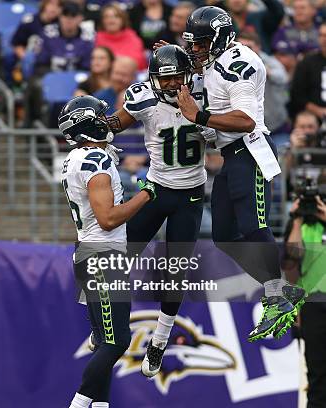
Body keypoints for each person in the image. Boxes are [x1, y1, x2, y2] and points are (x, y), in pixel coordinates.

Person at [179, 6, 305, 341]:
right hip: (231, 154)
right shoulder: (214, 63)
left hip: (249, 149)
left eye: (201, 42)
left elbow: (245, 120)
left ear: (219, 38)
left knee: (252, 225)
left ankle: (278, 294)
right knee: (223, 235)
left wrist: (200, 116)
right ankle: (277, 289)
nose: (195, 49)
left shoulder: (238, 63)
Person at [106, 45, 211, 376]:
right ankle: (106, 327)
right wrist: (92, 127)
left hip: (191, 195)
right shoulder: (144, 98)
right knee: (120, 257)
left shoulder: (207, 96)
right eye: (163, 78)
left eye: (176, 76)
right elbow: (113, 126)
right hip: (156, 189)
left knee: (176, 272)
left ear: (188, 76)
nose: (169, 84)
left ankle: (160, 342)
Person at [57, 95, 155, 408]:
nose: (106, 120)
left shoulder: (78, 157)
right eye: (100, 117)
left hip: (92, 251)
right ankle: (79, 404)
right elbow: (108, 218)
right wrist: (147, 194)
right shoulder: (94, 160)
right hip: (102, 255)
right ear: (88, 125)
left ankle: (99, 405)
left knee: (104, 340)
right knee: (117, 340)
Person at [283, 185, 326, 408]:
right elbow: (291, 257)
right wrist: (297, 218)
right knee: (317, 371)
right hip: (312, 304)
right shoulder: (299, 226)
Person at [237, 31, 289, 139]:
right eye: (241, 47)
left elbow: (283, 77)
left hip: (275, 125)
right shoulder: (231, 64)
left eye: (249, 47)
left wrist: (264, 70)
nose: (244, 51)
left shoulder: (269, 61)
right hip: (246, 127)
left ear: (258, 47)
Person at [289, 22, 326, 120]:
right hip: (312, 116)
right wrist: (318, 111)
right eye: (321, 35)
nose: (324, 39)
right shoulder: (307, 62)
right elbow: (297, 95)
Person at [94, 3, 146, 70]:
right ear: (102, 21)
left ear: (123, 20)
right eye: (106, 17)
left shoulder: (133, 38)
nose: (111, 20)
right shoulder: (97, 38)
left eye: (116, 16)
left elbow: (139, 62)